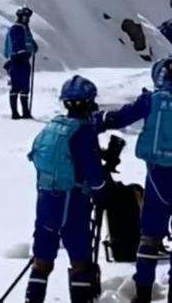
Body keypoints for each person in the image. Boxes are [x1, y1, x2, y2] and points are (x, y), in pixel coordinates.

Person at [100, 46, 172, 303]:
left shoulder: (151, 100)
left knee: (149, 238)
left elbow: (121, 117)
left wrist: (96, 119)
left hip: (156, 178)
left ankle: (143, 292)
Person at [26, 75, 106, 303]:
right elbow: (93, 174)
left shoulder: (54, 126)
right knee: (80, 257)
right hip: (73, 202)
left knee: (42, 258)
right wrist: (102, 192)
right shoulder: (83, 133)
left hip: (46, 200)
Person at [4, 7, 38, 119]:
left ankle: (25, 111)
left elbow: (28, 41)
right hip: (18, 59)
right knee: (16, 85)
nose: (27, 19)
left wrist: (33, 46)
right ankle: (15, 112)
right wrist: (23, 51)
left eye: (28, 17)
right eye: (25, 16)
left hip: (23, 58)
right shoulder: (16, 28)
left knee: (24, 85)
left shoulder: (25, 28)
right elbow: (16, 43)